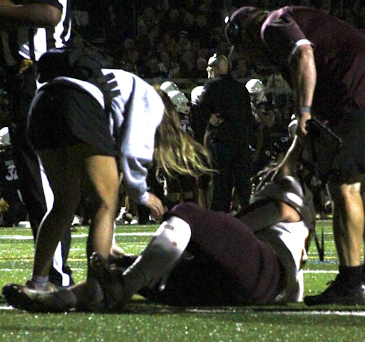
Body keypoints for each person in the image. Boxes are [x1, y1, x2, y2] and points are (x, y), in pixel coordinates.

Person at [224, 6, 365, 305]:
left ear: (246, 32)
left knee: (344, 186)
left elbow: (303, 55)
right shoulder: (294, 26)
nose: (247, 57)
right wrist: (290, 157)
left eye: (243, 48)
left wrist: (303, 112)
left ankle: (351, 283)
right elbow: (311, 121)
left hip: (362, 83)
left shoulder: (272, 25)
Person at [2, 46, 211, 302]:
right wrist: (142, 194)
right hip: (76, 103)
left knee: (63, 204)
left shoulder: (118, 84)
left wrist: (107, 239)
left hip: (41, 104)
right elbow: (133, 150)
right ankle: (94, 287)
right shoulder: (151, 99)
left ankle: (39, 282)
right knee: (106, 202)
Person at [2, 174, 314, 312]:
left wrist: (200, 229)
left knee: (188, 214)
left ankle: (122, 288)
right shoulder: (292, 241)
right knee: (121, 268)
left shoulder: (288, 204)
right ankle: (64, 299)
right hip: (234, 288)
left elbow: (236, 227)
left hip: (264, 273)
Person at [0, 0, 73, 287]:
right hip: (21, 78)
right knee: (35, 183)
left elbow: (49, 14)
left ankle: (54, 275)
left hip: (41, 77)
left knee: (42, 177)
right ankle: (53, 271)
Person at [198, 53, 255, 213]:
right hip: (241, 141)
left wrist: (210, 118)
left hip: (222, 141)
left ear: (215, 68)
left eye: (209, 66)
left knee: (221, 185)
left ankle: (219, 221)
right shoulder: (240, 87)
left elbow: (200, 108)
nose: (207, 70)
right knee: (243, 185)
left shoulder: (211, 87)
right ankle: (249, 219)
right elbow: (248, 115)